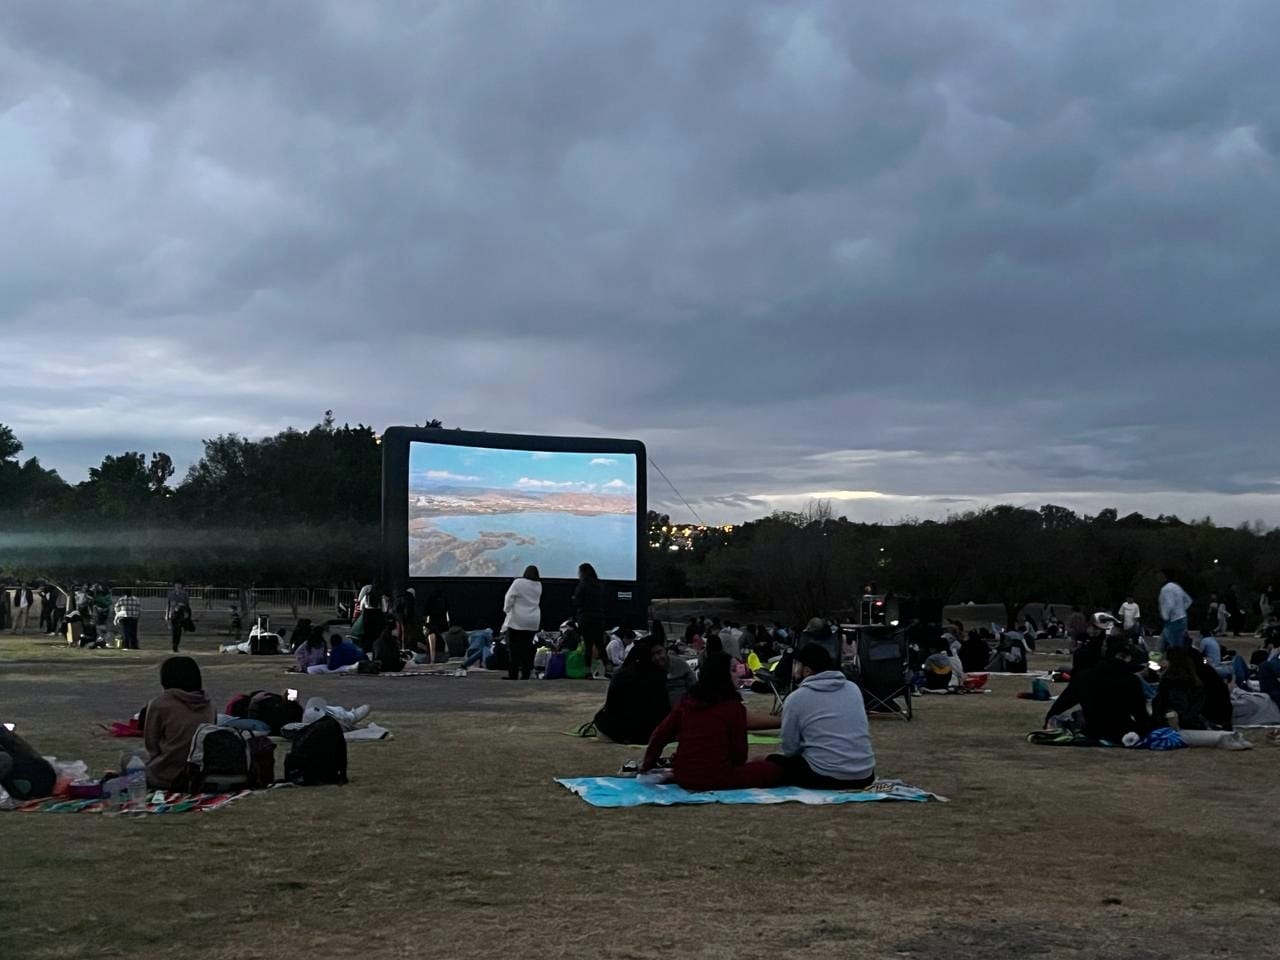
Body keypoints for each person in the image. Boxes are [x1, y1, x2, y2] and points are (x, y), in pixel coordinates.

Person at [641, 653, 783, 790]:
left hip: (683, 775)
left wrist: (648, 764)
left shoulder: (687, 702)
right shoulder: (733, 708)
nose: (737, 674)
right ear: (722, 675)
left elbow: (660, 735)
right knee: (775, 769)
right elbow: (739, 755)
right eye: (733, 670)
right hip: (717, 777)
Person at [766, 644, 876, 789]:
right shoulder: (852, 689)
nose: (794, 669)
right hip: (865, 776)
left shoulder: (796, 698)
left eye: (797, 665)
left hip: (824, 776)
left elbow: (790, 748)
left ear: (806, 670)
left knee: (768, 761)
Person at [1044, 636, 1153, 742]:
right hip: (1120, 730)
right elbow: (1141, 716)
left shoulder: (1084, 677)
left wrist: (1048, 721)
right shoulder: (1131, 680)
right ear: (1125, 656)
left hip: (1093, 729)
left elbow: (1061, 704)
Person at [143, 656, 215, 790]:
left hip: (167, 776)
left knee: (130, 759)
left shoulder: (159, 704)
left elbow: (151, 745)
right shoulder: (209, 704)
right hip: (200, 774)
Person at [592, 639, 672, 744]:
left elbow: (611, 706)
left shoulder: (620, 674)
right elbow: (662, 708)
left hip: (619, 731)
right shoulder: (657, 675)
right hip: (647, 733)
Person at [502, 565, 542, 680]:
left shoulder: (518, 582)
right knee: (527, 648)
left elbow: (509, 597)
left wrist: (507, 609)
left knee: (513, 648)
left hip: (518, 620)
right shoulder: (539, 585)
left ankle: (513, 674)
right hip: (533, 620)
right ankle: (526, 673)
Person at [573, 563, 609, 676]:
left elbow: (577, 602)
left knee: (588, 645)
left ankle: (587, 671)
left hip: (585, 617)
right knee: (600, 644)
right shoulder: (599, 585)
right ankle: (608, 668)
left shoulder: (582, 585)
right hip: (598, 617)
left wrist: (573, 599)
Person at [1158, 570, 1193, 651]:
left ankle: (1173, 661)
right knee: (1162, 643)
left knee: (1175, 647)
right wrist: (1181, 610)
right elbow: (1188, 600)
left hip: (1173, 621)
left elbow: (1170, 604)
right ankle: (1157, 660)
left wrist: (1165, 616)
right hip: (1182, 618)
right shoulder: (1177, 587)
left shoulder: (1166, 589)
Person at [167, 582, 193, 653]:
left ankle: (176, 644)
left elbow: (187, 605)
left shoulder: (184, 594)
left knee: (178, 631)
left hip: (180, 614)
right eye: (176, 585)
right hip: (173, 614)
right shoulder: (171, 594)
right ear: (174, 586)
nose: (178, 587)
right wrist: (167, 617)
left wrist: (186, 613)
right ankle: (174, 644)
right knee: (174, 631)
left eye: (179, 586)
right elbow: (168, 606)